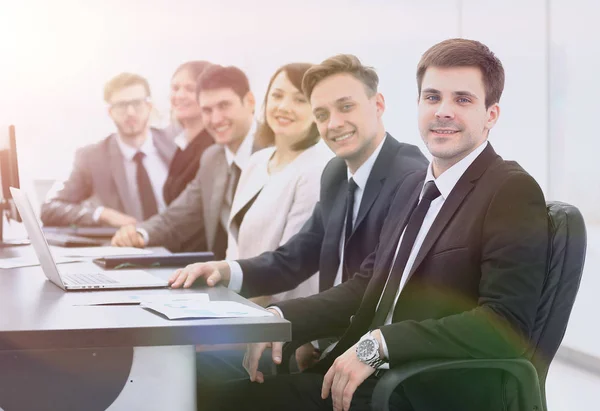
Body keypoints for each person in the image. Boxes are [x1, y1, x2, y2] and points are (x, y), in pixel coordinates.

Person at [206, 39, 549, 411]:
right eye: (432, 97)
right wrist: (280, 318)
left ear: (491, 114)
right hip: (368, 379)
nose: (443, 111)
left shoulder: (510, 190)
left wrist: (381, 344)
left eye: (462, 100)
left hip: (423, 390)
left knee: (224, 400)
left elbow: (504, 321)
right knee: (213, 390)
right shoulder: (413, 187)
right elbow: (367, 285)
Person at [170, 54, 427, 372]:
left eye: (346, 107)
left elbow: (372, 285)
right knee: (185, 371)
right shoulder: (335, 173)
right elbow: (295, 257)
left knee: (196, 380)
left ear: (378, 105)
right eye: (322, 113)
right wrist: (226, 270)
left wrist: (284, 319)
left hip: (373, 366)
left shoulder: (410, 174)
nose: (333, 123)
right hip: (326, 352)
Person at [111, 65, 268, 257]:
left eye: (224, 106)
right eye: (207, 110)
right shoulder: (213, 158)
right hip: (226, 277)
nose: (216, 119)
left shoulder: (275, 149)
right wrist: (139, 233)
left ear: (250, 101)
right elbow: (178, 216)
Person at [226, 63, 334, 306]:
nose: (284, 107)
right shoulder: (257, 161)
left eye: (299, 100)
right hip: (239, 306)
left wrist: (241, 316)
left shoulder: (317, 169)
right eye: (277, 96)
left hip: (282, 319)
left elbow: (289, 266)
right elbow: (234, 249)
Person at [40, 73, 176, 227]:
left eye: (137, 103)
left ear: (149, 106)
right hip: (127, 247)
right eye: (121, 105)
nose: (130, 112)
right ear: (110, 112)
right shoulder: (92, 158)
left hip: (180, 246)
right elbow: (49, 208)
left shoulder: (175, 146)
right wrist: (102, 214)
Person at [163, 60, 214, 206]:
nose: (179, 95)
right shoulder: (182, 144)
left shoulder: (213, 147)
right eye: (175, 88)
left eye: (190, 89)